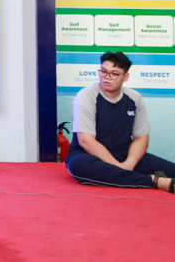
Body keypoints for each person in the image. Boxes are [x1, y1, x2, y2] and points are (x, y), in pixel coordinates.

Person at [65, 51, 175, 193]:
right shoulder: (86, 96)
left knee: (172, 170)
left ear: (125, 76)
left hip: (124, 154)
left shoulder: (134, 98)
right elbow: (86, 141)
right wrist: (118, 167)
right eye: (103, 71)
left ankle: (127, 176)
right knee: (79, 167)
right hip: (88, 154)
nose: (107, 77)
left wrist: (130, 163)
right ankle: (155, 181)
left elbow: (141, 138)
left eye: (114, 74)